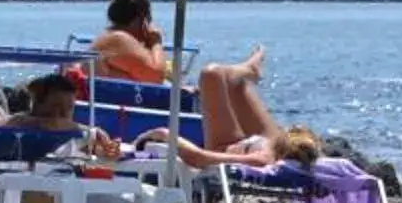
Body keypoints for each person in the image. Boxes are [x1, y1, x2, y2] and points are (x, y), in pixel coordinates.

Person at [133, 48, 319, 171]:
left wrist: (165, 134)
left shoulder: (263, 159)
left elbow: (199, 159)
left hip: (226, 147)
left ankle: (249, 70)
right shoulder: (277, 148)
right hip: (261, 141)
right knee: (227, 81)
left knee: (212, 74)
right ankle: (248, 71)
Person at [91, 0, 170, 83]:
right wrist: (156, 42)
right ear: (143, 20)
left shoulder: (109, 38)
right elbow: (157, 77)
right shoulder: (119, 39)